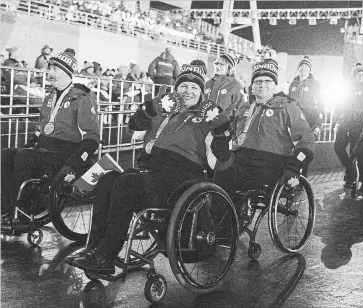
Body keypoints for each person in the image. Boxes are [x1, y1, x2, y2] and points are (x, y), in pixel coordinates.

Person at [65, 61, 234, 274]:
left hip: (182, 180)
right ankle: (93, 250)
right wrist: (152, 107)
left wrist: (221, 128)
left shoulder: (209, 117)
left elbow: (222, 163)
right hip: (152, 172)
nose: (188, 91)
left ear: (202, 92)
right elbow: (132, 130)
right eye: (183, 86)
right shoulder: (166, 111)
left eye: (194, 88)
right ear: (176, 88)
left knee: (127, 183)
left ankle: (106, 255)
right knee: (107, 179)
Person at [1, 48, 100, 218]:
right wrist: (29, 145)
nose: (50, 73)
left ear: (67, 73)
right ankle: (5, 205)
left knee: (24, 157)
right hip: (45, 149)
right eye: (50, 68)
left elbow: (91, 138)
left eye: (55, 69)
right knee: (6, 154)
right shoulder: (49, 97)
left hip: (67, 153)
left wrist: (73, 164)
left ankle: (18, 209)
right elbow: (41, 129)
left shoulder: (81, 97)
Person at [215, 59, 315, 208]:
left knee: (248, 188)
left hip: (271, 163)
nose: (262, 85)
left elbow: (306, 138)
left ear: (275, 85)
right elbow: (233, 133)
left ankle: (229, 224)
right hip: (241, 159)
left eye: (268, 81)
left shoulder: (287, 106)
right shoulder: (245, 108)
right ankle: (218, 224)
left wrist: (296, 164)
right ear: (252, 87)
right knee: (217, 180)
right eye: (258, 81)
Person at [333, 62, 363, 188]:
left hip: (360, 120)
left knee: (354, 149)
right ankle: (349, 167)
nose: (361, 76)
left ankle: (351, 176)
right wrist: (335, 120)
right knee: (338, 146)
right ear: (353, 75)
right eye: (359, 74)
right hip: (346, 118)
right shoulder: (346, 87)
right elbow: (338, 104)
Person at [288, 56, 324, 132]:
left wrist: (318, 123)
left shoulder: (315, 84)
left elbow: (320, 103)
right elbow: (288, 101)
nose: (303, 68)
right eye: (301, 66)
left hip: (309, 118)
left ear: (309, 69)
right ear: (298, 68)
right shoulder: (293, 84)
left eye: (306, 66)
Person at [205, 53, 245, 118]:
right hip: (207, 124)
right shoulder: (208, 83)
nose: (217, 67)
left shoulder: (235, 85)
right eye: (217, 63)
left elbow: (241, 109)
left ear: (229, 68)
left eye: (222, 64)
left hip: (226, 125)